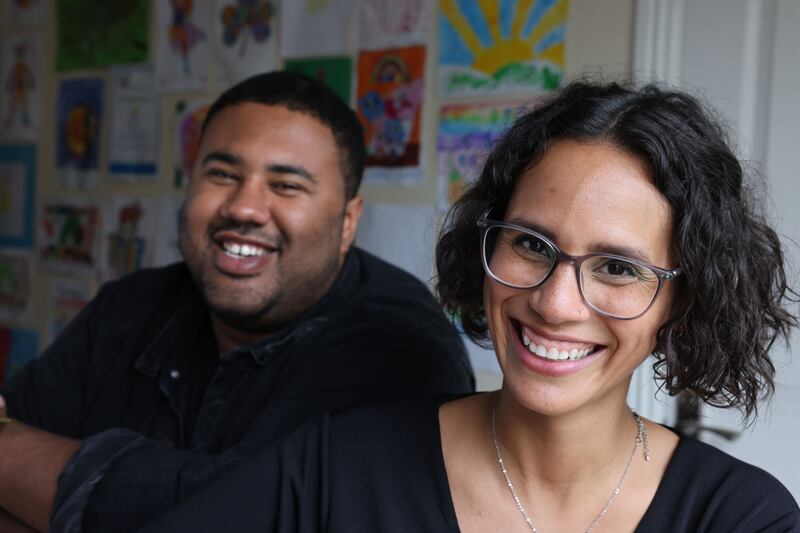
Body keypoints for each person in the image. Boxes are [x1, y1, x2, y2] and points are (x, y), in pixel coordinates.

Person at [143, 80, 799, 533]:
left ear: (680, 299)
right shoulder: (340, 464)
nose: (554, 300)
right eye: (532, 244)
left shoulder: (740, 517)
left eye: (619, 267)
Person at [0, 71, 474, 533]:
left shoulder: (402, 352)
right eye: (223, 174)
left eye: (286, 185)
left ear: (348, 221)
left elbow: (239, 516)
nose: (244, 208)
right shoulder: (130, 303)